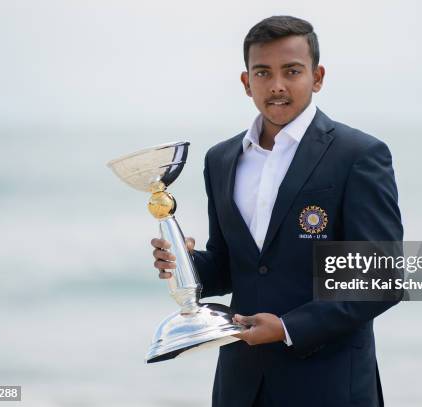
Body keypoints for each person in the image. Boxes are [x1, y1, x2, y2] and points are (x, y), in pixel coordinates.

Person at [151, 15, 403, 407]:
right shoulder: (221, 159)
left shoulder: (358, 155)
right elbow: (230, 265)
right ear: (246, 82)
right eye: (263, 72)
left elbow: (380, 280)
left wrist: (288, 328)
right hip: (241, 384)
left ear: (317, 77)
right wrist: (184, 263)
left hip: (330, 383)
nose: (277, 85)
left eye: (292, 71)